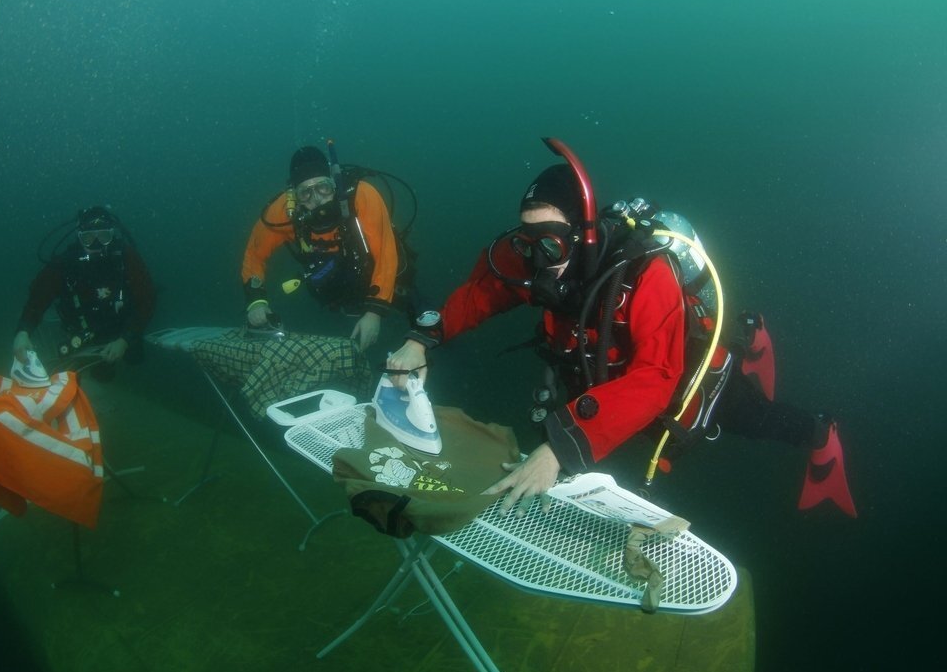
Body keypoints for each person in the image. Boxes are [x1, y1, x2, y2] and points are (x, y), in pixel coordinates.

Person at [387, 140, 856, 519]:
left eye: (548, 243)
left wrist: (558, 451)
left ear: (581, 233)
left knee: (744, 416)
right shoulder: (537, 256)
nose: (535, 258)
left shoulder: (646, 273)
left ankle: (818, 431)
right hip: (600, 374)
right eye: (525, 239)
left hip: (679, 368)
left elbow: (656, 377)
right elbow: (481, 293)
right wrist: (423, 338)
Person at [241, 144, 401, 352]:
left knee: (413, 305)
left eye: (323, 188)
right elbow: (254, 254)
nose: (317, 199)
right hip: (331, 292)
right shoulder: (284, 211)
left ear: (334, 184)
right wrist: (257, 301)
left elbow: (386, 254)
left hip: (382, 278)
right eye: (305, 193)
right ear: (294, 197)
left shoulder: (362, 195)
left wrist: (374, 312)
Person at [13, 206, 156, 380]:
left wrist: (125, 339)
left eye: (104, 237)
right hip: (83, 332)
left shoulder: (126, 258)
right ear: (79, 238)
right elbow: (38, 298)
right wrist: (23, 331)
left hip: (123, 328)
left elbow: (146, 300)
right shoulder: (65, 263)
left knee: (135, 361)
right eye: (89, 238)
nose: (96, 244)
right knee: (100, 375)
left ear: (112, 235)